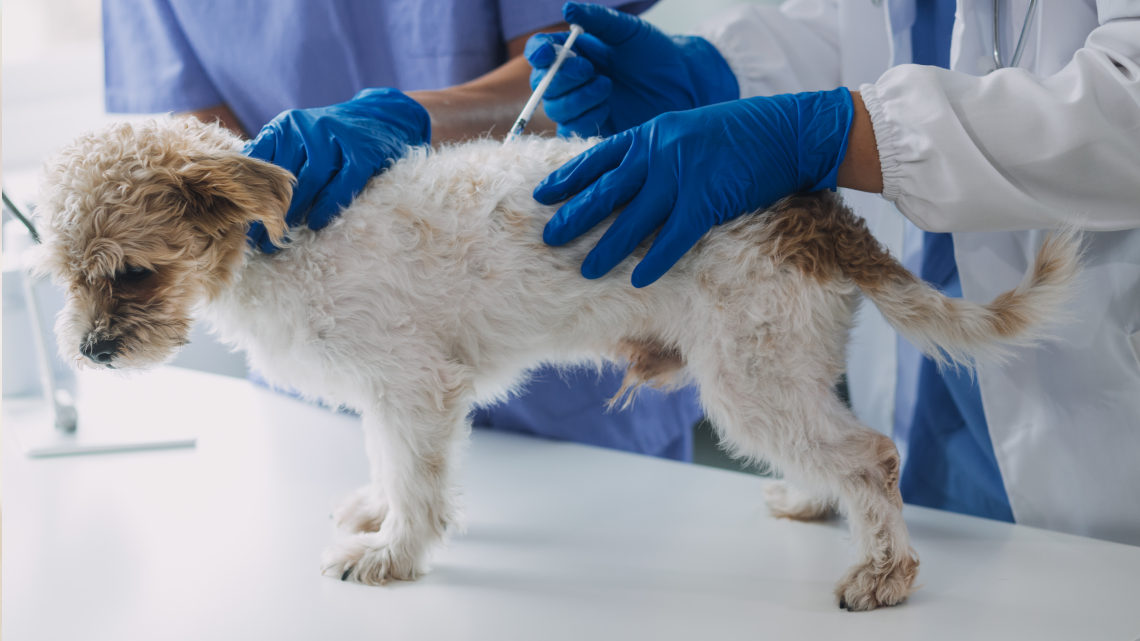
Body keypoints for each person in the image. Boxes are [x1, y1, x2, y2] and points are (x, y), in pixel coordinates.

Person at [527, 1, 1140, 545]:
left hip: (1101, 423)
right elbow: (857, 26)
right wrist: (714, 72)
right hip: (919, 408)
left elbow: (1127, 97)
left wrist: (834, 133)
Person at [102, 0, 703, 461]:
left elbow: (570, 75)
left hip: (558, 336)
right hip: (322, 371)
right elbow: (200, 151)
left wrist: (410, 120)